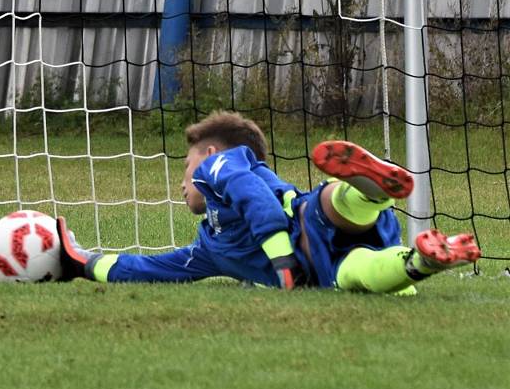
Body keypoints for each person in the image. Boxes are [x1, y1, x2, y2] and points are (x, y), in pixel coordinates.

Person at [54, 111, 480, 293]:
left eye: (185, 167)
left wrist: (280, 259)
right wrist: (82, 263)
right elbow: (152, 269)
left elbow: (255, 196)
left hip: (302, 228)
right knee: (357, 274)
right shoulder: (210, 248)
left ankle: (371, 188)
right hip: (324, 268)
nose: (182, 181)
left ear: (207, 155)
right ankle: (421, 259)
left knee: (326, 203)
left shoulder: (221, 168)